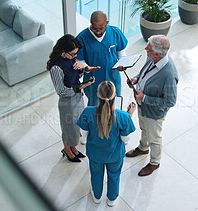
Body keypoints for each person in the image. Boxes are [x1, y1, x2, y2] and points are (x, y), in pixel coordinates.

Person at [119, 35, 178, 176]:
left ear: (157, 54)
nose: (145, 49)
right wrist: (136, 79)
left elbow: (170, 101)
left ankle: (154, 162)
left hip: (154, 113)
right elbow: (144, 73)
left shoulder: (169, 74)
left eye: (148, 49)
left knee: (154, 138)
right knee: (144, 128)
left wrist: (144, 98)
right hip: (143, 107)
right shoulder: (152, 58)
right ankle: (143, 148)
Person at [76, 81, 136, 206]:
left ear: (98, 94)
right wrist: (129, 115)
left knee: (96, 174)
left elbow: (84, 134)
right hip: (115, 155)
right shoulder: (123, 116)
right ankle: (112, 199)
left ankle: (97, 196)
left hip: (95, 154)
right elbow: (125, 139)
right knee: (114, 176)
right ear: (115, 96)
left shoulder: (88, 112)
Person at [47, 34, 99, 162]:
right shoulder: (56, 68)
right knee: (68, 127)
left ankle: (73, 148)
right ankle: (67, 150)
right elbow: (61, 91)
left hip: (77, 98)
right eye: (72, 54)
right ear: (63, 52)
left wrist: (84, 69)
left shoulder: (71, 59)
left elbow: (75, 76)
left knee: (76, 126)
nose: (75, 56)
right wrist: (82, 86)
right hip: (67, 102)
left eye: (76, 53)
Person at [76, 11, 128, 106]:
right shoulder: (82, 38)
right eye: (95, 29)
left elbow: (120, 51)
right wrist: (86, 67)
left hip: (113, 77)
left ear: (107, 23)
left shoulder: (115, 32)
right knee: (96, 107)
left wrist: (122, 63)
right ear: (91, 22)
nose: (98, 32)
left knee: (114, 105)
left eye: (101, 28)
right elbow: (80, 60)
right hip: (94, 80)